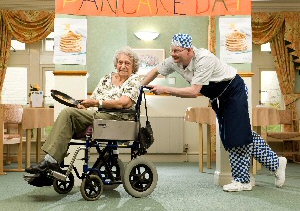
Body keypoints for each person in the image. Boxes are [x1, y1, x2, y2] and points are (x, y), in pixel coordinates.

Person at [141, 33, 287, 192]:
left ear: (189, 50)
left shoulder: (204, 59)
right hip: (219, 96)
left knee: (236, 136)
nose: (173, 54)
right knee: (235, 135)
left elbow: (194, 91)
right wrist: (138, 87)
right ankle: (275, 163)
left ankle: (242, 181)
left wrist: (165, 89)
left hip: (233, 91)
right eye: (172, 50)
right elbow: (155, 70)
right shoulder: (174, 61)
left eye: (177, 50)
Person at [25, 46, 141, 174]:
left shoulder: (134, 80)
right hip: (99, 114)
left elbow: (123, 103)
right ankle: (52, 164)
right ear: (116, 64)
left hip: (117, 117)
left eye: (127, 63)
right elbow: (93, 99)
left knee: (68, 113)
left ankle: (50, 161)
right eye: (120, 62)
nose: (123, 66)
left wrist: (96, 103)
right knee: (70, 115)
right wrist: (85, 106)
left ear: (133, 67)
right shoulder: (106, 79)